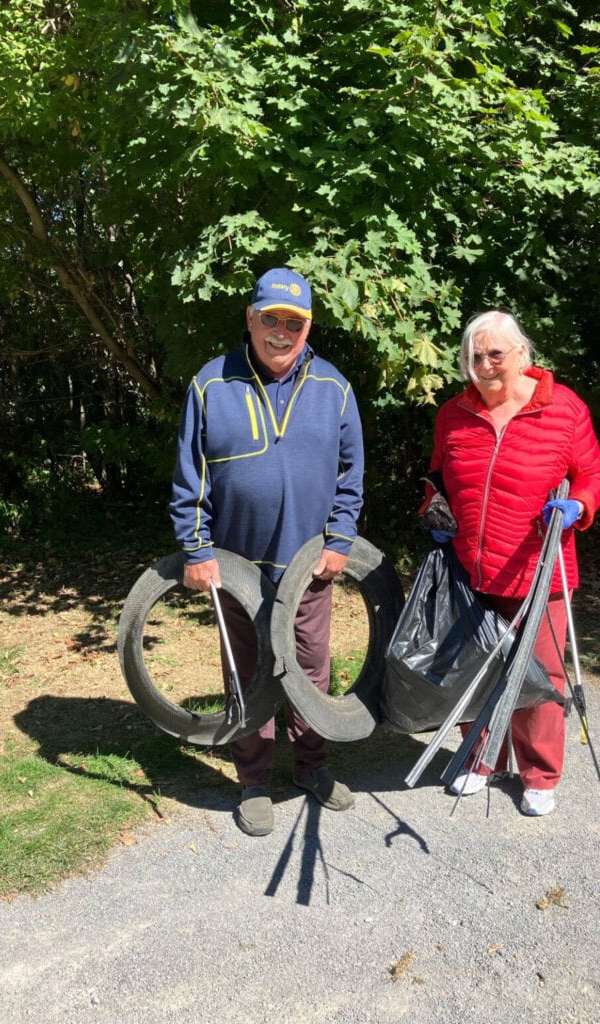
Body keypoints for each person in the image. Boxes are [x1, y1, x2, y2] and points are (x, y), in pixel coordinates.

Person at [170, 267, 364, 836]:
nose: (282, 331)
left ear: (308, 327)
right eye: (271, 319)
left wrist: (341, 537)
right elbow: (191, 475)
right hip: (236, 567)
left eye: (294, 322)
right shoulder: (212, 384)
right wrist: (197, 548)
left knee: (310, 667)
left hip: (310, 566)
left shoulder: (334, 387)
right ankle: (254, 780)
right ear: (251, 320)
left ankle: (313, 767)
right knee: (246, 671)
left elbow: (351, 473)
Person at [422, 310, 600, 816]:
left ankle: (539, 773)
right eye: (474, 356)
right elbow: (437, 476)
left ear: (522, 354)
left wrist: (578, 506)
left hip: (538, 570)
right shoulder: (454, 415)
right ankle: (480, 760)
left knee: (539, 677)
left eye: (494, 354)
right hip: (471, 569)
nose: (484, 364)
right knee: (475, 670)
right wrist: (432, 506)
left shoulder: (563, 409)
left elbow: (593, 473)